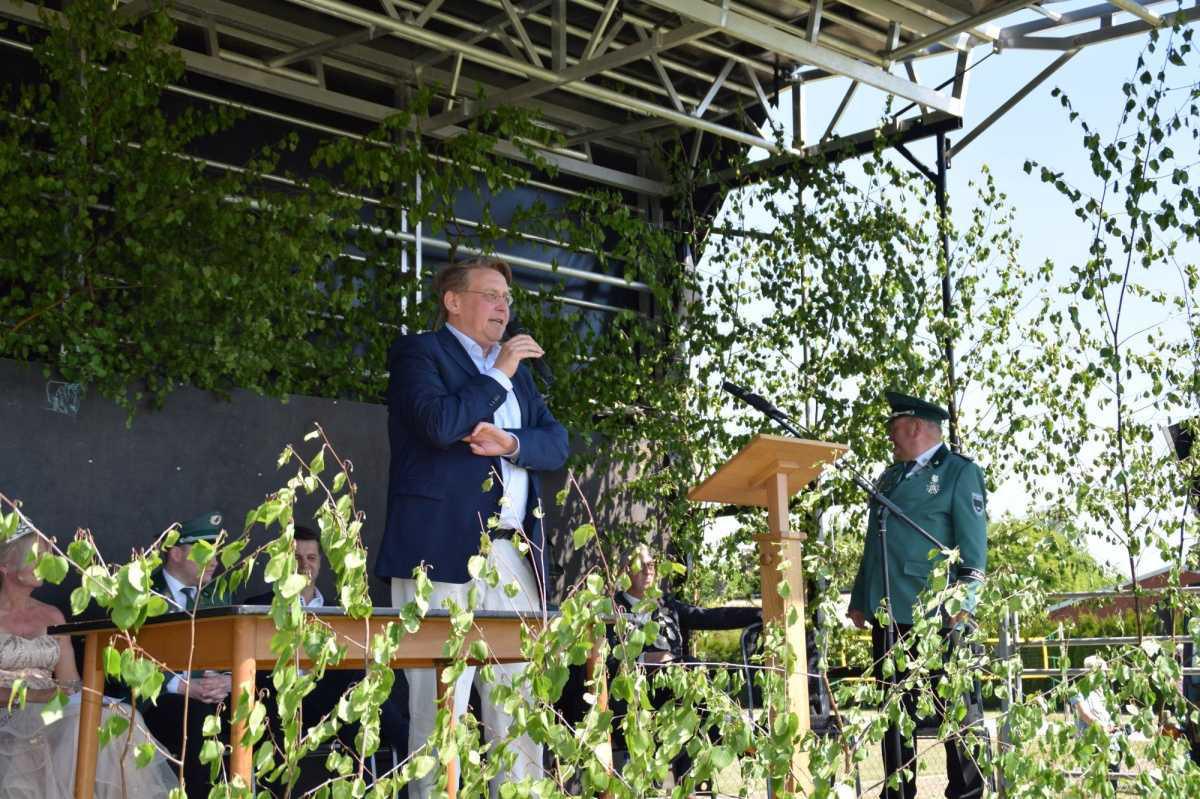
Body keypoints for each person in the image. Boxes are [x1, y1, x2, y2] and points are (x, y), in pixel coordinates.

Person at [376, 257, 569, 799]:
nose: (504, 306)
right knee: (439, 706)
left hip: (511, 554)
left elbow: (557, 444)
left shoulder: (522, 375)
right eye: (490, 294)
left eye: (507, 296)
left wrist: (512, 443)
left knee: (520, 700)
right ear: (453, 301)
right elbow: (439, 425)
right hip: (436, 552)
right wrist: (498, 374)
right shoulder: (420, 354)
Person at [847, 391, 988, 799]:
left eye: (894, 429)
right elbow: (874, 544)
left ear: (915, 426)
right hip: (891, 613)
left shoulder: (959, 473)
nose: (890, 438)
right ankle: (897, 794)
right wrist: (861, 597)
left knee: (957, 714)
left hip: (940, 615)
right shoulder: (890, 476)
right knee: (895, 716)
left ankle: (966, 795)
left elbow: (974, 553)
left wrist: (963, 602)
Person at [0, 520, 178, 797]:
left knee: (116, 718)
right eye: (36, 558)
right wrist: (37, 697)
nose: (45, 564)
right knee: (61, 731)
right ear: (6, 566)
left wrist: (66, 698)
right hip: (9, 711)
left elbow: (70, 683)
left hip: (52, 709)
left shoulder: (52, 616)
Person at [243, 524, 409, 790]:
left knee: (360, 682)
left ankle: (365, 786)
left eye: (311, 558)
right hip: (279, 704)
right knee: (356, 682)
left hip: (329, 704)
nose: (304, 565)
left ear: (320, 563)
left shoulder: (338, 611)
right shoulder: (259, 607)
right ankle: (409, 743)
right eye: (296, 558)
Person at [609, 544, 762, 783]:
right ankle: (738, 738)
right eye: (642, 565)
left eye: (652, 564)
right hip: (637, 698)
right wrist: (645, 660)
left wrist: (758, 614)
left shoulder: (666, 605)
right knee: (691, 671)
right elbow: (606, 659)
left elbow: (708, 616)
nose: (649, 570)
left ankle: (724, 747)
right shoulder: (612, 609)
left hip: (679, 692)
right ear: (626, 570)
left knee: (693, 685)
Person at [140, 511, 232, 799]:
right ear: (177, 554)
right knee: (196, 718)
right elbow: (128, 659)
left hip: (213, 696)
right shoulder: (142, 591)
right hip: (160, 701)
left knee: (257, 710)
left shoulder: (218, 595)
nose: (215, 560)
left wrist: (227, 681)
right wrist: (183, 687)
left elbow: (233, 650)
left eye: (217, 551)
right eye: (206, 551)